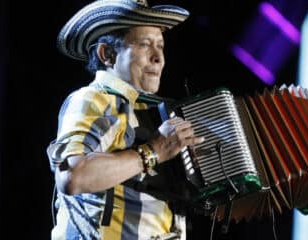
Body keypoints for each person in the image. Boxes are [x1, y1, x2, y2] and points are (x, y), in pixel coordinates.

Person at [46, 0, 204, 239]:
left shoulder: (154, 112)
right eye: (144, 45)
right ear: (107, 54)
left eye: (160, 46)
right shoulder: (93, 99)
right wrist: (154, 152)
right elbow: (72, 176)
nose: (158, 58)